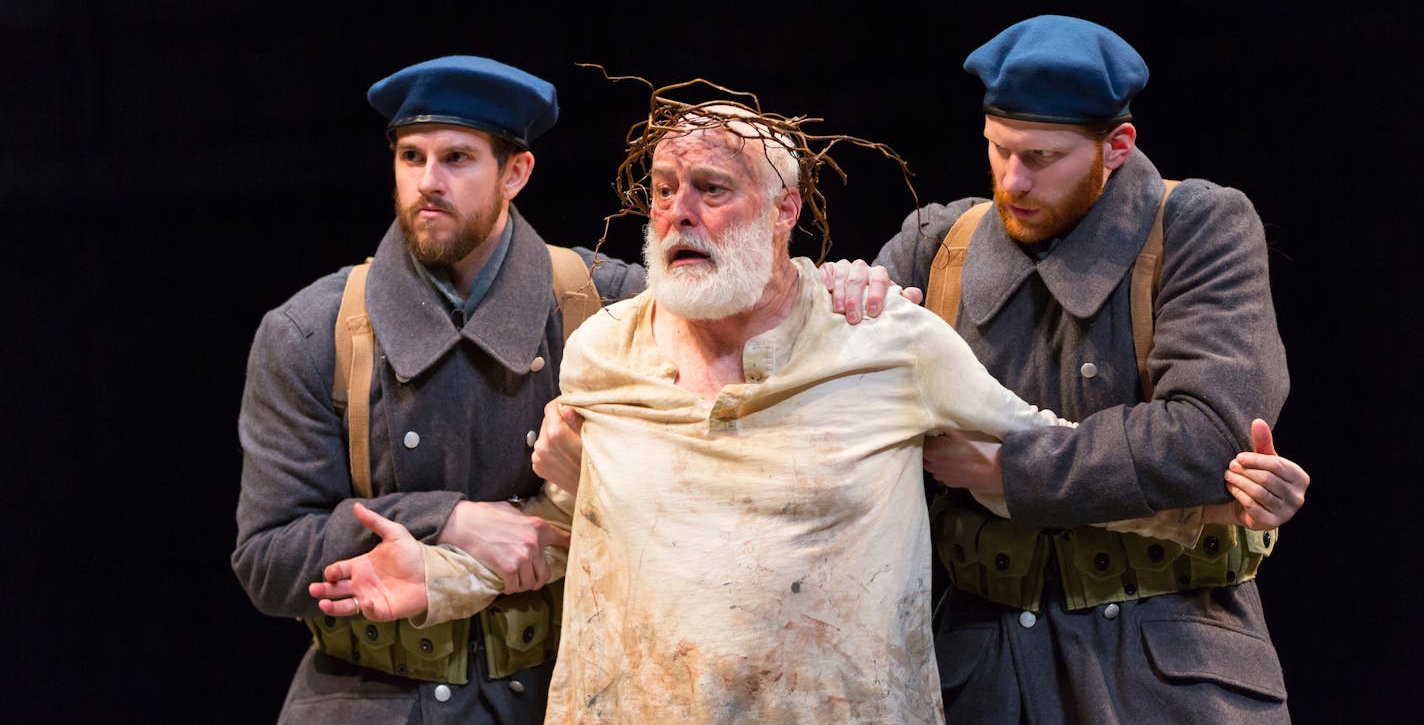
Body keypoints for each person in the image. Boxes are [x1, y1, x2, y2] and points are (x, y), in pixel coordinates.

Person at [308, 102, 1307, 723]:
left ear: (784, 212)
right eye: (661, 191)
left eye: (711, 189)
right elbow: (573, 530)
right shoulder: (602, 351)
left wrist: (1222, 517)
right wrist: (438, 576)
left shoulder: (887, 345)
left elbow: (1032, 467)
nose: (678, 214)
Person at [869, 15, 1306, 723]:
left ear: (1117, 147)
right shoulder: (937, 245)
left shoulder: (1199, 227)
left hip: (1165, 667)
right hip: (982, 667)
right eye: (999, 150)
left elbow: (1205, 434)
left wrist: (1007, 470)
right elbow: (821, 365)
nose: (1014, 180)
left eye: (1042, 157)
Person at [230, 56, 646, 724]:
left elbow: (746, 347)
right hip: (375, 698)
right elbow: (267, 560)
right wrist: (448, 519)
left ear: (515, 172)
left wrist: (834, 288)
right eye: (411, 156)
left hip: (562, 694)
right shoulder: (312, 332)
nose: (429, 182)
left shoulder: (607, 304)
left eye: (457, 158)